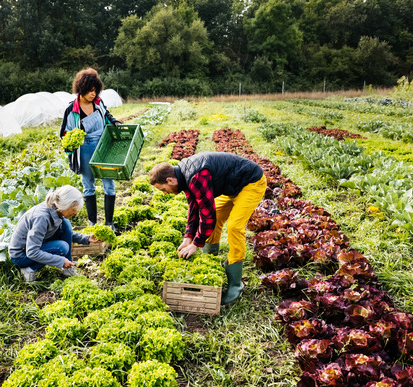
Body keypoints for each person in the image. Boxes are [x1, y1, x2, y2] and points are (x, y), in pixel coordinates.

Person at [149, 152, 267, 304]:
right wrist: (188, 238)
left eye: (163, 189)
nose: (165, 193)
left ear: (170, 180)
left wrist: (196, 244)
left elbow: (207, 215)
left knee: (234, 227)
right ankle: (211, 259)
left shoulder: (196, 176)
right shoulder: (183, 176)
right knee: (216, 217)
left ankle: (236, 283)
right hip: (232, 186)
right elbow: (194, 208)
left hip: (250, 183)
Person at [59, 68, 120, 232]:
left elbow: (107, 114)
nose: (93, 94)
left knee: (109, 184)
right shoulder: (71, 110)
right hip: (84, 148)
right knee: (88, 185)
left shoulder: (98, 103)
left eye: (95, 90)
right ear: (81, 89)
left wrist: (115, 122)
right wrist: (70, 143)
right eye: (90, 90)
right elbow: (64, 134)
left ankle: (109, 223)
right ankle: (93, 223)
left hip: (102, 145)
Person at [9, 185, 102, 282]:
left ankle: (68, 267)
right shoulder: (42, 218)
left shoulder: (56, 210)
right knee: (62, 247)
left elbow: (66, 233)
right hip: (21, 255)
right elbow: (32, 252)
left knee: (66, 224)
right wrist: (60, 261)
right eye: (73, 209)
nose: (76, 212)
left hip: (35, 245)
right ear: (65, 205)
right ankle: (29, 270)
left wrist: (87, 238)